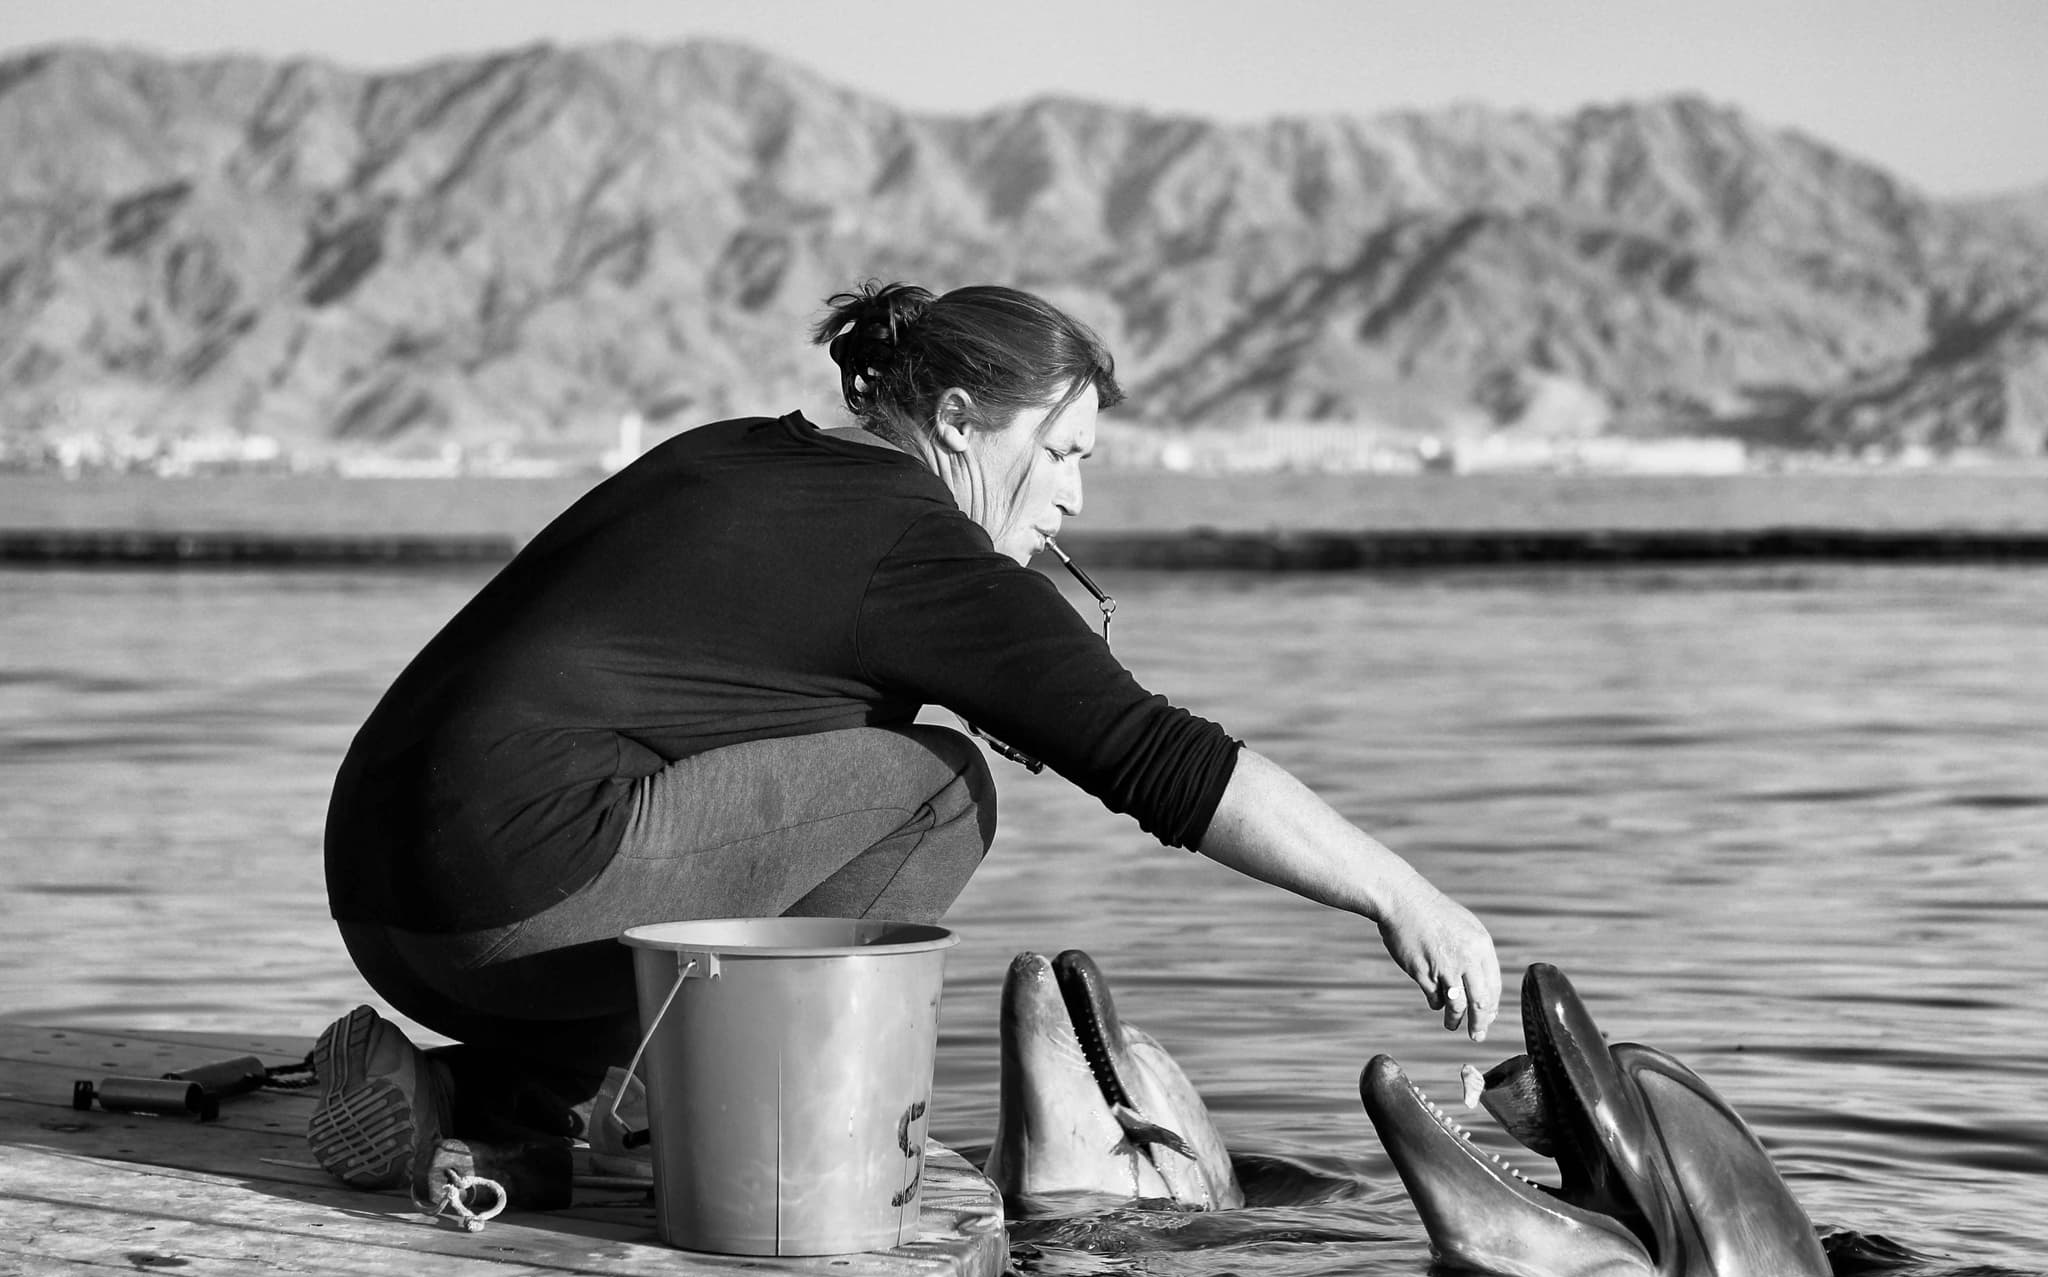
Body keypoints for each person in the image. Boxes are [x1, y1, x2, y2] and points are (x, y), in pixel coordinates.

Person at [310, 280, 1499, 1197]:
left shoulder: (736, 449)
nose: (1074, 497)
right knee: (939, 792)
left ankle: (493, 1106)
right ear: (959, 421)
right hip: (513, 904)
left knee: (809, 782)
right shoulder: (917, 550)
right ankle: (756, 1128)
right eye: (1062, 454)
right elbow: (1163, 763)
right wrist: (1401, 896)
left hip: (377, 897)